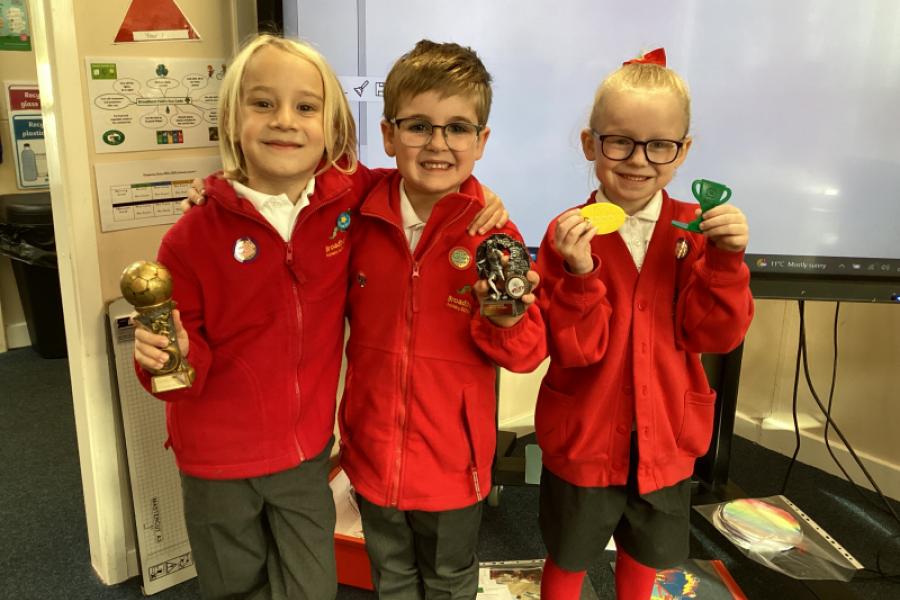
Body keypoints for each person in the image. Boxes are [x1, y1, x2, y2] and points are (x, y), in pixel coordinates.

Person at [131, 35, 509, 600]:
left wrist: (481, 197)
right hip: (215, 459)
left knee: (312, 587)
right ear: (232, 119)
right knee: (233, 586)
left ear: (331, 128)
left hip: (305, 454)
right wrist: (167, 356)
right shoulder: (191, 236)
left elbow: (427, 179)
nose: (285, 120)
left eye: (306, 106)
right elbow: (176, 375)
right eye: (263, 103)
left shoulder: (347, 197)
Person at [533, 48, 754, 600]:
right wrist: (580, 274)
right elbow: (575, 348)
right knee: (568, 555)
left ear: (683, 151)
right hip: (584, 436)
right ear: (590, 144)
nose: (639, 160)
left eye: (660, 145)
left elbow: (715, 335)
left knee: (645, 555)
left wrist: (725, 261)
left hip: (667, 438)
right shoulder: (568, 234)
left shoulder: (694, 231)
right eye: (619, 142)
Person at [338, 40, 546, 599]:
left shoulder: (494, 235)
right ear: (388, 135)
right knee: (391, 576)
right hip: (372, 450)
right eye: (418, 127)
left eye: (457, 129)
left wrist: (505, 318)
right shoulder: (360, 213)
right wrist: (218, 186)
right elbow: (298, 178)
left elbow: (525, 352)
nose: (437, 144)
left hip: (454, 465)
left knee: (450, 580)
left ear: (481, 142)